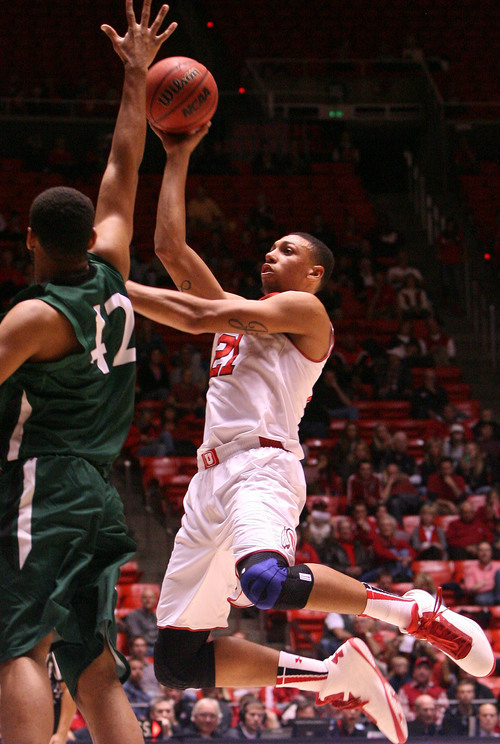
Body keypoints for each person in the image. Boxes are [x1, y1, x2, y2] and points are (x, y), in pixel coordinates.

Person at [125, 124, 495, 744]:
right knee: (178, 662)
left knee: (266, 582)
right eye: (271, 247)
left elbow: (197, 313)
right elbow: (168, 246)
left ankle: (411, 610)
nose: (271, 253)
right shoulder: (238, 319)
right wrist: (178, 154)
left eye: (287, 249)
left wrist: (109, 286)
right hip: (209, 481)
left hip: (261, 467)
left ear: (314, 272)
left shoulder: (306, 311)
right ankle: (330, 677)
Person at [0, 4, 177, 744]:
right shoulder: (112, 267)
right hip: (98, 492)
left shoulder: (33, 318)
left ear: (30, 239)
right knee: (92, 666)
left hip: (46, 483)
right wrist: (137, 76)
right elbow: (121, 167)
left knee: (17, 645)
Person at [122, 586, 160, 656]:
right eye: (145, 597)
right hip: (141, 648)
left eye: (151, 597)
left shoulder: (158, 617)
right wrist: (155, 639)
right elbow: (137, 636)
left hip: (155, 647)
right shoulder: (133, 616)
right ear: (141, 600)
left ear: (155, 600)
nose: (148, 600)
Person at [461, 541, 500, 606]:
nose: (484, 553)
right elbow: (469, 589)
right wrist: (491, 583)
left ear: (491, 552)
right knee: (481, 599)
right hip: (484, 595)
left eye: (487, 550)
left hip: (498, 592)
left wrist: (484, 584)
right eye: (481, 550)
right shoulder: (471, 569)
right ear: (477, 553)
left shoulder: (498, 565)